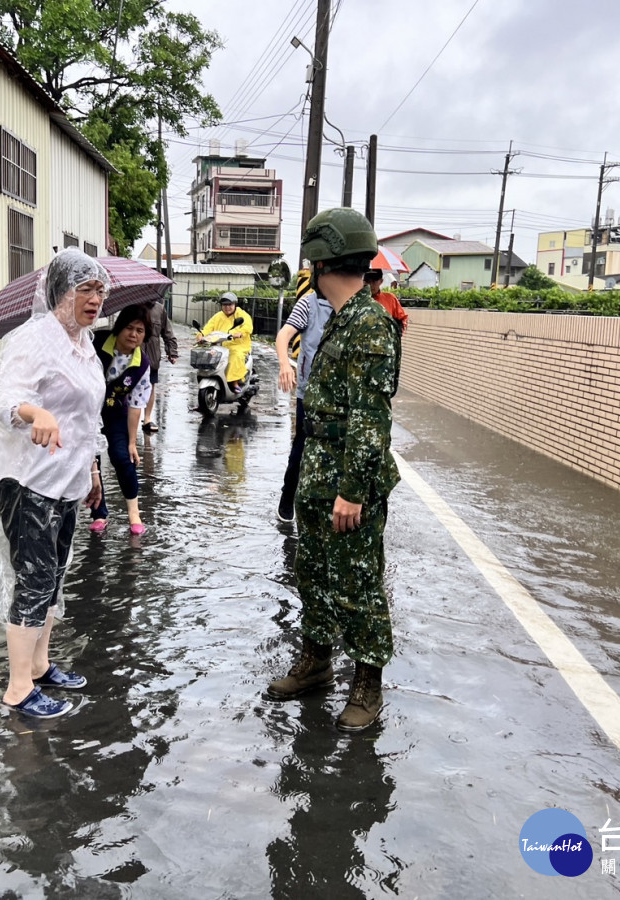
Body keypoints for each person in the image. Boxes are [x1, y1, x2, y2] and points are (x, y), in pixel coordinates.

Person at [267, 207, 401, 733]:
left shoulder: (369, 323)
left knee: (358, 580)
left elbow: (371, 419)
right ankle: (317, 661)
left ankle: (368, 682)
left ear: (323, 262)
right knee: (316, 573)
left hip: (347, 479)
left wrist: (352, 492)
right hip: (318, 470)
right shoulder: (344, 317)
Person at [0, 248, 108, 720]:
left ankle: (40, 664)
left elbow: (88, 419)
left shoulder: (85, 345)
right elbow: (2, 399)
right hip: (28, 481)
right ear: (61, 291)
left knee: (52, 577)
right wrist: (35, 412)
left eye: (100, 290)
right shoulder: (33, 339)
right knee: (33, 580)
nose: (95, 299)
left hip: (67, 481)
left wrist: (92, 471)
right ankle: (17, 688)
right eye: (85, 289)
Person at [87, 303, 152, 535]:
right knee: (90, 463)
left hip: (115, 413)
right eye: (129, 328)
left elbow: (136, 405)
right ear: (119, 328)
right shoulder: (94, 343)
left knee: (122, 457)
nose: (133, 334)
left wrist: (133, 441)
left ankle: (134, 513)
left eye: (140, 331)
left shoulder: (142, 363)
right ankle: (99, 514)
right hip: (86, 414)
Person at [274, 274, 333, 524]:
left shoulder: (354, 307)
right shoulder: (308, 303)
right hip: (309, 390)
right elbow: (284, 335)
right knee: (302, 444)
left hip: (341, 393)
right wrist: (285, 363)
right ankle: (288, 497)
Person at [200, 292, 254, 395]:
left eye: (230, 305)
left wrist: (239, 333)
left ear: (235, 305)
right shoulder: (218, 316)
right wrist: (201, 335)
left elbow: (248, 327)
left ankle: (234, 383)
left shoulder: (242, 315)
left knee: (235, 356)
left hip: (238, 345)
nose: (227, 307)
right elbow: (208, 328)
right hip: (221, 345)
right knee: (209, 355)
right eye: (224, 305)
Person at [140, 297, 178, 434]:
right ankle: (129, 419)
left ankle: (147, 419)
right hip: (133, 354)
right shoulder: (132, 307)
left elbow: (168, 332)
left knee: (150, 386)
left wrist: (172, 352)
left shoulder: (159, 309)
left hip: (152, 355)